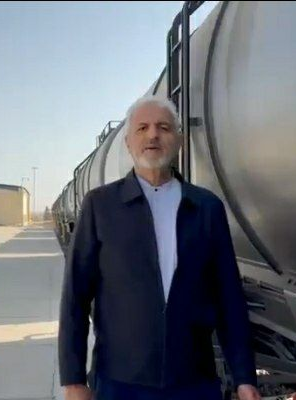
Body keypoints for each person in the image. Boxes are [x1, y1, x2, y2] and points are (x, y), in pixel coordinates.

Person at [59, 96, 261, 400]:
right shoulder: (100, 206)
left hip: (194, 382)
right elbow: (75, 297)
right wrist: (73, 380)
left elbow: (228, 298)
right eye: (142, 128)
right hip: (119, 382)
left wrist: (244, 377)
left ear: (179, 140)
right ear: (128, 142)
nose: (153, 135)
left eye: (163, 127)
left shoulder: (206, 208)